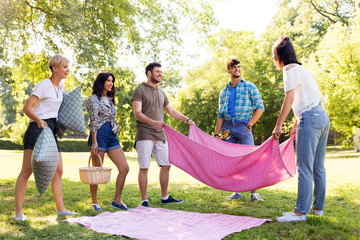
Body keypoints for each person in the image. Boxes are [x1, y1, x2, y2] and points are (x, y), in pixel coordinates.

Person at [271, 36, 330, 222]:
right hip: (322, 117)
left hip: (310, 118)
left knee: (303, 166)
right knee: (318, 166)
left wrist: (279, 124)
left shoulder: (289, 69)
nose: (273, 59)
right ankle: (318, 208)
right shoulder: (304, 70)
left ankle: (299, 213)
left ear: (280, 55)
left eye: (274, 55)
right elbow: (311, 98)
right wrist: (296, 123)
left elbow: (289, 98)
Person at [14, 54, 77, 221]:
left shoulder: (61, 87)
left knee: (58, 170)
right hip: (37, 128)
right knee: (27, 171)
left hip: (50, 130)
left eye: (68, 66)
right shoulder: (43, 86)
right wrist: (39, 120)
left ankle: (61, 209)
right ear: (54, 68)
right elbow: (27, 108)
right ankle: (18, 213)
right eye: (64, 67)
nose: (67, 70)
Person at [132, 62, 194, 207]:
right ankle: (144, 200)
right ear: (149, 73)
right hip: (144, 134)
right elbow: (137, 113)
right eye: (157, 72)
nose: (160, 74)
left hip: (160, 135)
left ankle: (165, 197)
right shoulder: (139, 90)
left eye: (161, 72)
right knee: (144, 167)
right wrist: (153, 122)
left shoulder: (161, 92)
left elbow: (171, 111)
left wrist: (187, 120)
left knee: (166, 164)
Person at [214, 58, 265, 202]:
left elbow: (260, 107)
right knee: (231, 161)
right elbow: (220, 115)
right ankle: (236, 191)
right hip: (227, 129)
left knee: (251, 160)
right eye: (234, 67)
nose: (237, 69)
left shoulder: (250, 86)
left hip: (244, 127)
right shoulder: (224, 92)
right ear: (228, 70)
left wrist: (249, 125)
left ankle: (253, 193)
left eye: (239, 67)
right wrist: (217, 133)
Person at [86, 72, 129, 211]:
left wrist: (115, 125)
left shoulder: (110, 99)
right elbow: (93, 120)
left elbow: (111, 116)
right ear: (102, 82)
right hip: (99, 134)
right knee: (97, 170)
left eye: (112, 81)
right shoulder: (93, 99)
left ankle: (116, 201)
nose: (111, 84)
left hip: (111, 134)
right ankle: (94, 202)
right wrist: (94, 141)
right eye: (108, 81)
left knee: (124, 168)